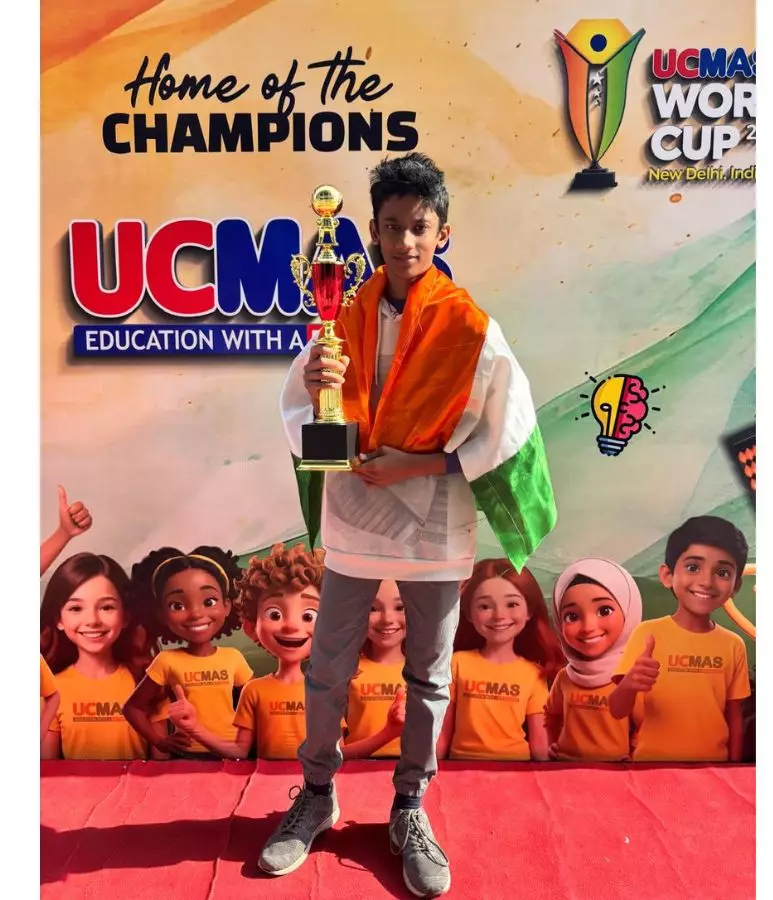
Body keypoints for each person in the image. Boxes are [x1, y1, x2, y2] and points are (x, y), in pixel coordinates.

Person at [264, 151, 557, 899]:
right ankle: (317, 794)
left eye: (419, 227)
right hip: (358, 516)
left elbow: (505, 433)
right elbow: (304, 423)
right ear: (372, 231)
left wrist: (417, 464)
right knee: (328, 669)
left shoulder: (470, 328)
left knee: (428, 672)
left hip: (434, 521)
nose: (404, 241)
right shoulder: (339, 317)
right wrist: (322, 397)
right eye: (391, 227)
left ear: (442, 232)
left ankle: (408, 807)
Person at [608, 516, 752, 762]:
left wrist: (733, 769)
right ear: (667, 575)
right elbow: (616, 710)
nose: (706, 582)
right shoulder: (647, 633)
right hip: (653, 766)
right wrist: (630, 683)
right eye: (693, 567)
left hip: (712, 768)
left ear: (736, 586)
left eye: (722, 572)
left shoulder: (733, 645)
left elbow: (734, 717)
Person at [164, 543, 322, 761]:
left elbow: (337, 751)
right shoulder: (253, 691)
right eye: (274, 614)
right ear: (250, 627)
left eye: (308, 616)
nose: (291, 626)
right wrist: (193, 728)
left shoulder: (323, 690)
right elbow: (239, 751)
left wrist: (375, 740)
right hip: (264, 779)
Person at [124, 547, 251, 759]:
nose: (196, 614)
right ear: (161, 614)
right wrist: (160, 742)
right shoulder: (166, 660)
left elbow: (256, 703)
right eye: (177, 605)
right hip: (188, 756)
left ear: (227, 606)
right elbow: (133, 708)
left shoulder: (233, 657)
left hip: (231, 753)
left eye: (209, 601)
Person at [436, 560, 563, 761]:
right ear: (469, 613)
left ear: (529, 611)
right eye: (485, 606)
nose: (499, 616)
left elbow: (540, 743)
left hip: (516, 766)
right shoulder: (457, 663)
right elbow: (442, 732)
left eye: (512, 604)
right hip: (461, 765)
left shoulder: (533, 674)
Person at [40, 552, 154, 760]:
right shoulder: (50, 691)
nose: (92, 620)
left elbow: (164, 769)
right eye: (76, 608)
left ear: (126, 616)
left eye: (106, 607)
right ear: (59, 619)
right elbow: (49, 771)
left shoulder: (148, 683)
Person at [544, 558, 643, 762]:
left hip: (614, 771)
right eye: (572, 616)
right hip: (565, 767)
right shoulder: (565, 677)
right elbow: (551, 714)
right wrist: (552, 743)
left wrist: (635, 757)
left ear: (629, 611)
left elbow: (646, 726)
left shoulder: (632, 678)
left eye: (604, 611)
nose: (588, 627)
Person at [340, 580, 407, 760]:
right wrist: (388, 733)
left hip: (413, 772)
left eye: (400, 607)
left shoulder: (426, 674)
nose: (387, 619)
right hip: (356, 770)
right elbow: (335, 754)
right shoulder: (346, 672)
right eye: (373, 609)